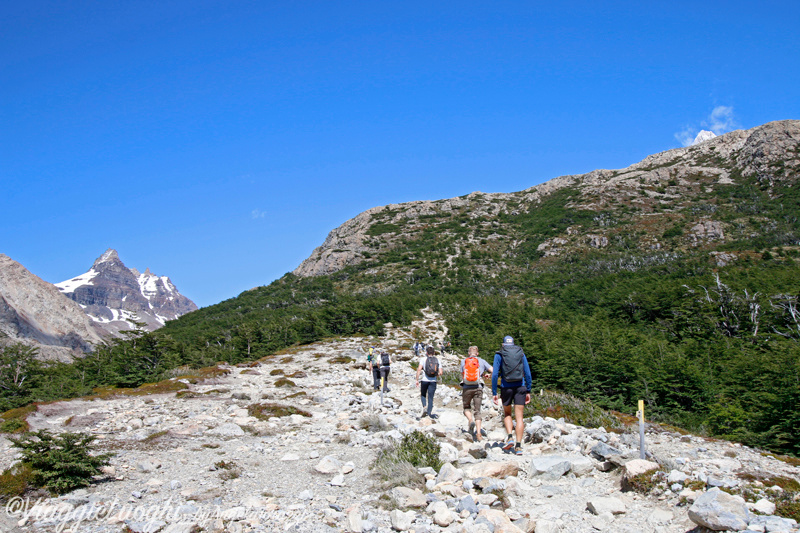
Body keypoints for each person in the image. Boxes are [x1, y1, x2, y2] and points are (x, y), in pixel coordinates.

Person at [491, 335, 532, 456]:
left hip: (506, 387)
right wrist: (528, 390)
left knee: (507, 413)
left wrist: (494, 392)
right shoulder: (521, 353)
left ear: (503, 344)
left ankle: (510, 437)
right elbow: (527, 372)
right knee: (519, 418)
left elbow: (494, 375)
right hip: (520, 387)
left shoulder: (499, 354)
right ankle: (518, 446)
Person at [460, 346, 492, 441]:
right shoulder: (482, 361)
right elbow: (493, 370)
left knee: (466, 407)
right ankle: (478, 434)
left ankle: (470, 420)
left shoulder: (464, 361)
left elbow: (463, 373)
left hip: (466, 387)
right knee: (477, 411)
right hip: (478, 387)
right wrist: (487, 375)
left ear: (469, 353)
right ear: (477, 353)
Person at [415, 346, 443, 418]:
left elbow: (419, 369)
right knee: (431, 397)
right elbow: (441, 372)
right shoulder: (437, 360)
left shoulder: (423, 359)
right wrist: (436, 375)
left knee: (423, 394)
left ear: (426, 353)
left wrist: (417, 380)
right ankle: (429, 413)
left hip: (424, 380)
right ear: (433, 353)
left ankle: (424, 407)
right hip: (433, 381)